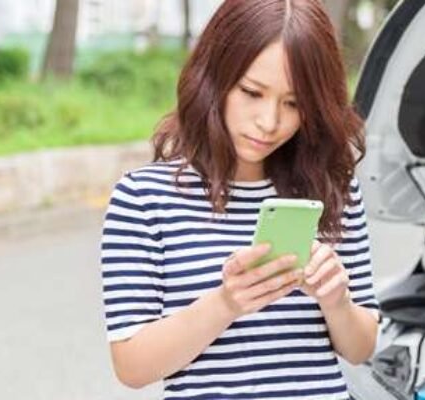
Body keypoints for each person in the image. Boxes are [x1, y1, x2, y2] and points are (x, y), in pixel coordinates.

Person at [99, 0, 378, 398]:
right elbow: (132, 366)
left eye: (294, 103)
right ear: (214, 76)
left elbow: (362, 348)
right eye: (252, 92)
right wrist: (226, 303)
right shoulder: (143, 198)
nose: (269, 122)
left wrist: (337, 302)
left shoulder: (332, 188)